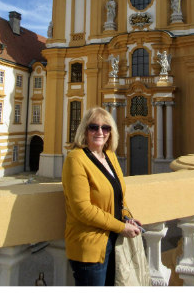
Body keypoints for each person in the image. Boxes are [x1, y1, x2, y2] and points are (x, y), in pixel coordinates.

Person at [62, 106, 143, 286]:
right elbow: (82, 209)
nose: (100, 131)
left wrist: (127, 217)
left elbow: (118, 195)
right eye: (94, 127)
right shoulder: (75, 159)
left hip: (112, 242)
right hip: (90, 247)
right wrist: (121, 227)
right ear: (84, 130)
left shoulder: (109, 156)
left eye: (105, 128)